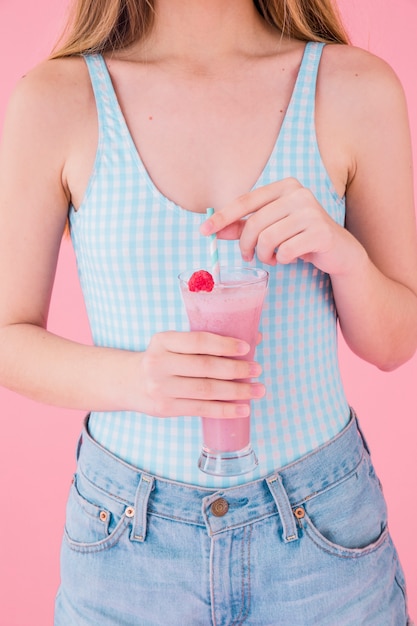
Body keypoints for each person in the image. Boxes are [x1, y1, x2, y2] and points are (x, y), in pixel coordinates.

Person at [0, 0, 416, 623]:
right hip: (127, 540)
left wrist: (344, 254)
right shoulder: (56, 99)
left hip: (322, 535)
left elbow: (394, 342)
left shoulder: (355, 88)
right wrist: (136, 379)